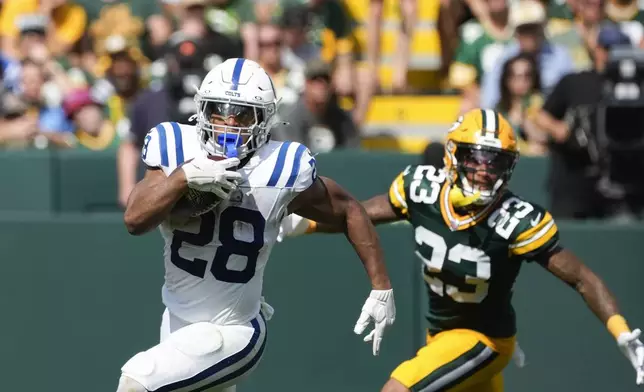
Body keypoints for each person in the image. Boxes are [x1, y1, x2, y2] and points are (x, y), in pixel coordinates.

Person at [279, 109, 644, 392]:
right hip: (441, 335)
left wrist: (621, 330)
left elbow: (581, 278)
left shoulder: (515, 219)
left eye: (495, 161)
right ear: (454, 155)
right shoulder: (423, 189)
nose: (485, 171)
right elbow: (357, 213)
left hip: (484, 340)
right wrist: (306, 224)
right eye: (475, 158)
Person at [119, 58, 396, 392]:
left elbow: (349, 210)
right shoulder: (176, 148)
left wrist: (382, 287)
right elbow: (134, 220)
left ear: (264, 119)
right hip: (176, 323)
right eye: (219, 111)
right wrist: (184, 176)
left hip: (234, 331)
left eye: (243, 114)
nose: (228, 125)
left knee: (138, 380)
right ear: (202, 111)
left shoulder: (280, 168)